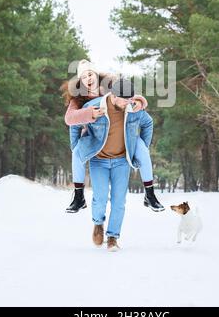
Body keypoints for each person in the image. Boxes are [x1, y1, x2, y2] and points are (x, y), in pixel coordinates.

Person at [70, 78, 162, 251]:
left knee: (119, 201)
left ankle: (113, 237)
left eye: (130, 99)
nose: (127, 103)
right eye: (123, 99)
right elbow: (75, 123)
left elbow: (148, 123)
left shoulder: (133, 108)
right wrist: (75, 146)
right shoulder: (96, 107)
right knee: (101, 198)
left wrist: (141, 147)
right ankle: (98, 224)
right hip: (99, 160)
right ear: (113, 95)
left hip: (122, 161)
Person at [61, 59, 164, 213]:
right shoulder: (79, 99)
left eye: (90, 74)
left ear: (96, 75)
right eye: (84, 77)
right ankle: (79, 197)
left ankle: (149, 195)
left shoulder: (110, 86)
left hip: (121, 134)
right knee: (76, 153)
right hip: (96, 137)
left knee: (141, 148)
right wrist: (89, 114)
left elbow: (130, 95)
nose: (88, 78)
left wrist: (139, 102)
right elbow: (70, 119)